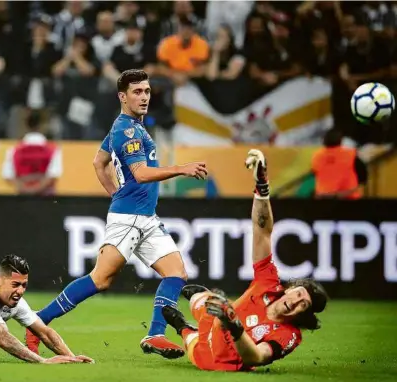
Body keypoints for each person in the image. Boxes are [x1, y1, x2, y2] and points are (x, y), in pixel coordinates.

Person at [26, 69, 208, 359]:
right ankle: (38, 322)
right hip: (130, 218)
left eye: (147, 91)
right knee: (100, 279)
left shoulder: (128, 126)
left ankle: (156, 334)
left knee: (176, 273)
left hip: (144, 216)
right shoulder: (127, 130)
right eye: (137, 92)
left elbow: (99, 162)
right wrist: (181, 168)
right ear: (122, 97)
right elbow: (141, 173)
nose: (144, 97)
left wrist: (116, 193)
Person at [161, 148, 329, 371]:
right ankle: (202, 298)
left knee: (190, 339)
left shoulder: (289, 335)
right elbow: (262, 231)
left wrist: (235, 326)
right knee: (201, 301)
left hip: (214, 360)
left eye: (303, 305)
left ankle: (181, 326)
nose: (296, 302)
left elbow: (257, 357)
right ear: (291, 289)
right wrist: (262, 189)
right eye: (299, 295)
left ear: (304, 314)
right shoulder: (269, 284)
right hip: (217, 319)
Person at [311, 129, 367, 199]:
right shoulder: (350, 155)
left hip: (324, 198)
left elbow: (315, 172)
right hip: (348, 197)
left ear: (324, 140)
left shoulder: (317, 156)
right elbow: (363, 174)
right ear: (340, 140)